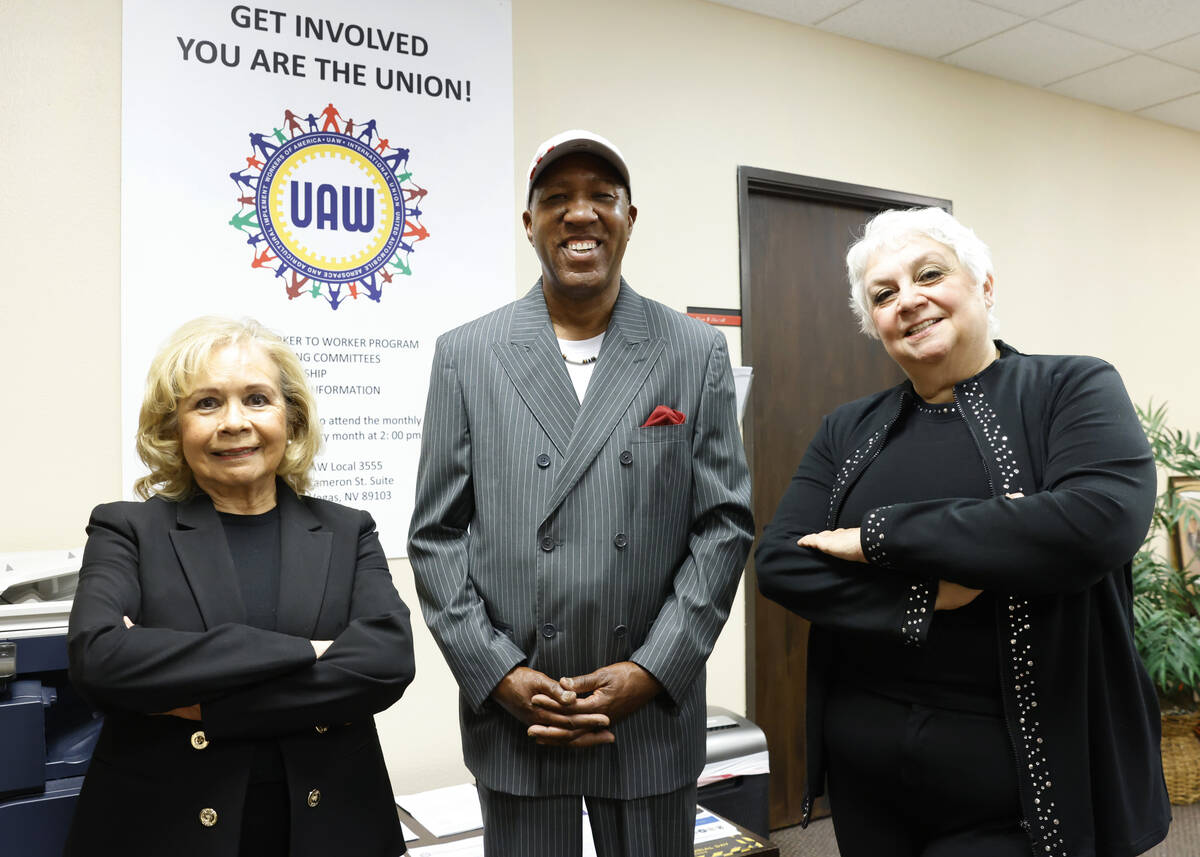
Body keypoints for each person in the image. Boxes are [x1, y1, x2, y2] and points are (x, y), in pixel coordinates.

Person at [755, 207, 1170, 857]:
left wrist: (872, 538)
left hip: (1023, 783)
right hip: (867, 775)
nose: (907, 301)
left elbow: (1095, 522)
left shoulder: (1072, 386)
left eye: (929, 275)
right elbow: (781, 563)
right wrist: (928, 592)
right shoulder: (847, 427)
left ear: (985, 285)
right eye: (883, 295)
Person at [408, 129, 754, 857]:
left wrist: (653, 668)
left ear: (630, 217)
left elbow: (723, 526)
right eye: (557, 198)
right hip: (520, 712)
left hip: (650, 708)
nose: (580, 213)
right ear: (529, 221)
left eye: (602, 196)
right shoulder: (468, 354)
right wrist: (498, 672)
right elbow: (436, 537)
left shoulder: (693, 351)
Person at [66, 317, 415, 857]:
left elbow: (387, 662)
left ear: (291, 419)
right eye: (206, 403)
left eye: (257, 399)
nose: (234, 422)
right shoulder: (126, 529)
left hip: (334, 825)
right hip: (164, 829)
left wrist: (208, 708)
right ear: (173, 426)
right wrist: (311, 652)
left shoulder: (348, 530)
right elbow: (100, 660)